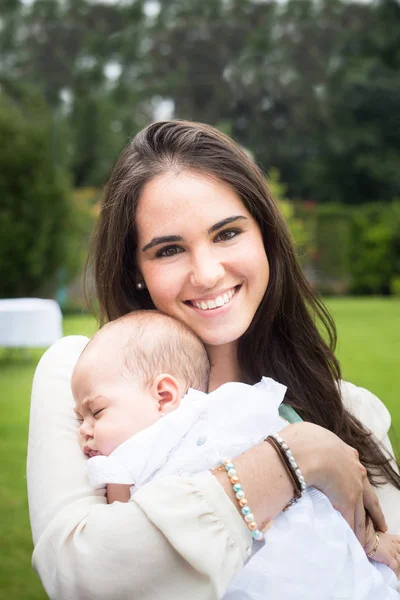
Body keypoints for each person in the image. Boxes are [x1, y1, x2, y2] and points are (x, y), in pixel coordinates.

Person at [27, 120, 400, 600]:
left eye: (226, 234)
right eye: (168, 249)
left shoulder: (350, 412)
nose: (206, 274)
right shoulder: (87, 384)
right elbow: (80, 577)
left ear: (264, 237)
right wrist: (295, 457)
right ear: (136, 272)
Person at [71, 310, 399, 599]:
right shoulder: (123, 464)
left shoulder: (235, 404)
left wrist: (370, 541)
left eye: (96, 412)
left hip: (322, 558)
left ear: (164, 394)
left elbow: (329, 489)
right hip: (250, 579)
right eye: (80, 418)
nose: (83, 429)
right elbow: (121, 540)